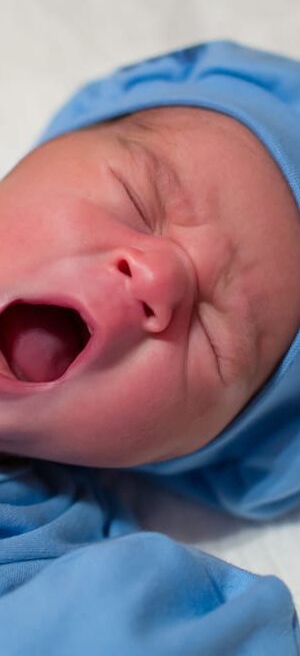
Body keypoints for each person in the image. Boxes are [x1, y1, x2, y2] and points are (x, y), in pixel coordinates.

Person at [0, 40, 299, 654]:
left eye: (218, 345)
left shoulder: (31, 550)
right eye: (140, 198)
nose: (161, 280)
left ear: (181, 457)